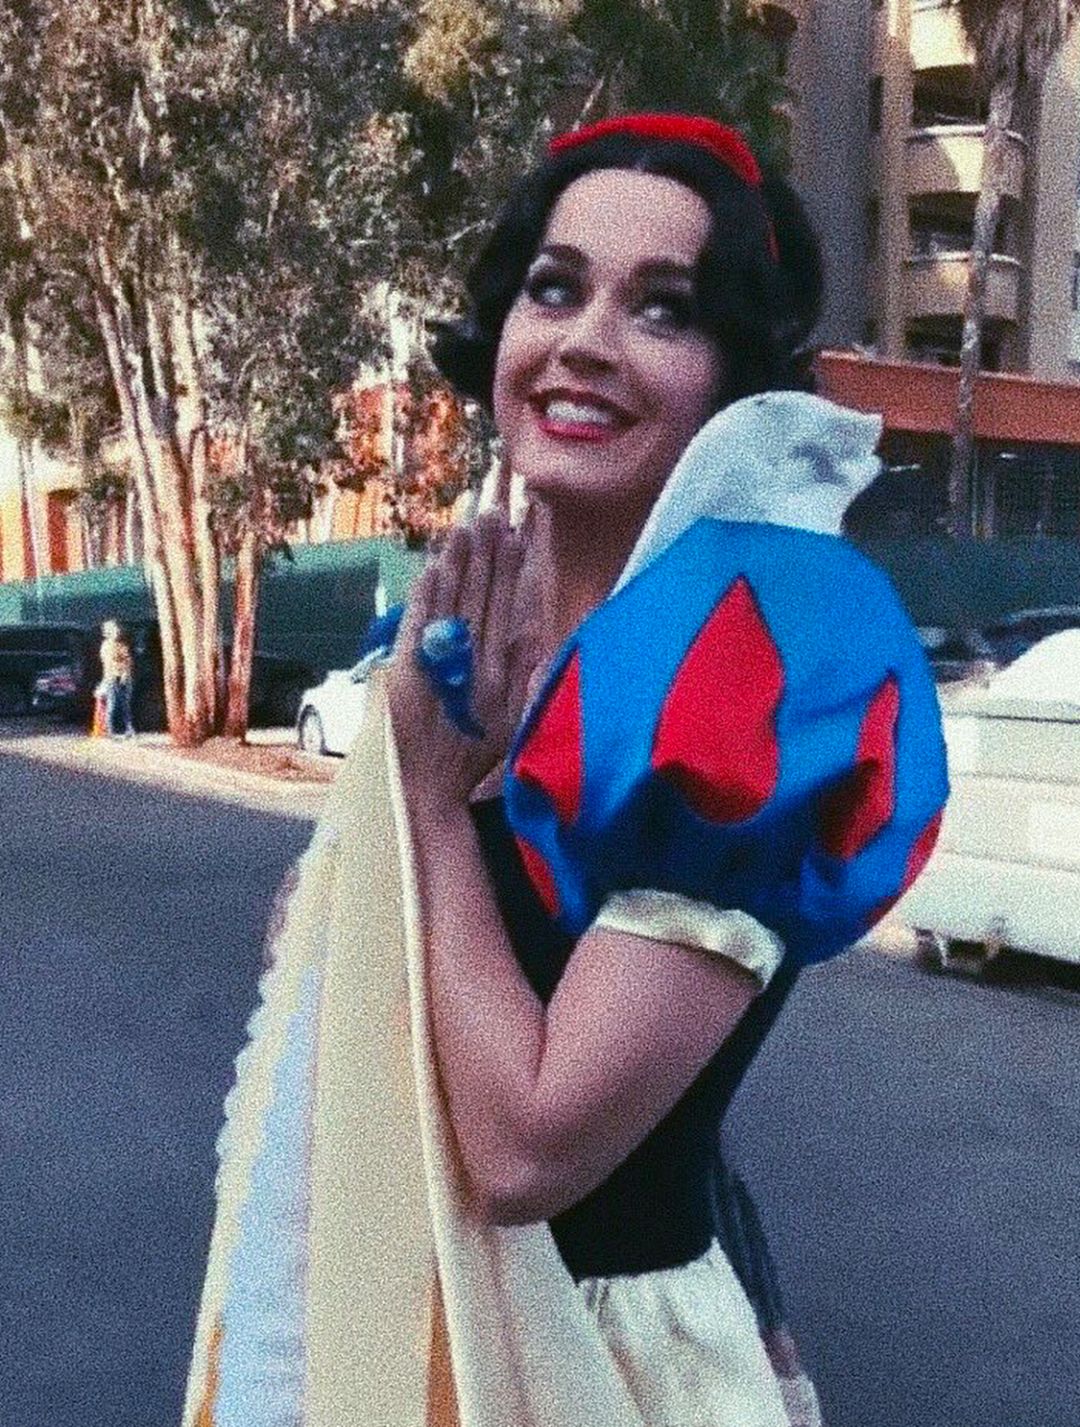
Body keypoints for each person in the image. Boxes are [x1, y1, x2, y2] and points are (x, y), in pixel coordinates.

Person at [182, 114, 947, 1427]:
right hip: (390, 1331)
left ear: (733, 376)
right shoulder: (474, 618)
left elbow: (529, 1146)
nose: (586, 340)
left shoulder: (752, 651)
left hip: (593, 1367)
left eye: (664, 308)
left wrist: (432, 811)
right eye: (556, 286)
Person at [97, 619, 135, 739]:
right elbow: (110, 663)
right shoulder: (106, 646)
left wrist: (125, 673)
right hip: (112, 677)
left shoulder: (121, 645)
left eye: (117, 629)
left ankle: (128, 729)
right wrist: (120, 671)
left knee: (125, 705)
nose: (117, 631)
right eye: (114, 629)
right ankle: (109, 730)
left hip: (123, 676)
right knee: (112, 705)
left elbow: (128, 660)